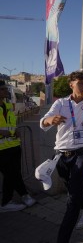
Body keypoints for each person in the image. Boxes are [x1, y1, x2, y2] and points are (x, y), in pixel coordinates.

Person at [40, 72, 83, 243]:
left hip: (82, 154)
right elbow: (43, 122)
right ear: (71, 84)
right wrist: (50, 120)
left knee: (72, 200)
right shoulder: (61, 103)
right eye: (81, 83)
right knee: (74, 190)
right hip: (62, 155)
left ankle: (63, 238)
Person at [0, 80, 36, 212]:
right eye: (2, 89)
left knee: (12, 174)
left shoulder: (7, 106)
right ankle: (25, 196)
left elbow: (11, 123)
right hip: (1, 148)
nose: (5, 91)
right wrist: (3, 132)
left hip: (13, 145)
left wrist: (16, 130)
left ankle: (6, 202)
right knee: (12, 174)